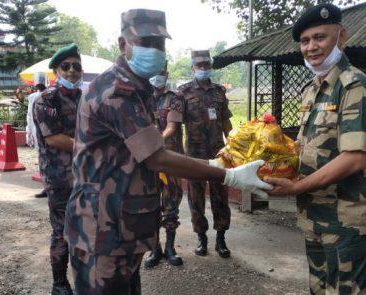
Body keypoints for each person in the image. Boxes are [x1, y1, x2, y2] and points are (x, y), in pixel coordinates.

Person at [64, 9, 271, 294]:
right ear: (123, 44)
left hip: (119, 224)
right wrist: (228, 175)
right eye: (145, 42)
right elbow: (157, 157)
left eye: (159, 44)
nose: (154, 50)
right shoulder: (116, 91)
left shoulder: (136, 88)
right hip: (102, 228)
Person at [265, 3, 366, 294]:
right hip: (314, 214)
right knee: (318, 289)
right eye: (305, 41)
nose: (311, 47)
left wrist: (296, 187)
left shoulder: (355, 86)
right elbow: (311, 145)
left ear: (341, 36)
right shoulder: (312, 89)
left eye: (320, 38)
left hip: (347, 221)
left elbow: (354, 158)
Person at [34, 43, 83, 295]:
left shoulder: (84, 98)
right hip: (60, 177)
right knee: (62, 231)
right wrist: (89, 148)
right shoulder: (47, 99)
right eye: (66, 66)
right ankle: (59, 283)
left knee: (86, 229)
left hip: (87, 176)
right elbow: (53, 138)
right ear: (56, 71)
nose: (72, 71)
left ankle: (84, 278)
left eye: (76, 66)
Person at [178, 49, 233, 258]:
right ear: (192, 67)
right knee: (196, 197)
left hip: (218, 153)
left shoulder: (219, 92)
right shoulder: (183, 92)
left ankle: (221, 239)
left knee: (221, 196)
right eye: (199, 65)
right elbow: (175, 124)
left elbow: (226, 122)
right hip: (195, 155)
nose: (203, 68)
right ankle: (201, 238)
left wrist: (234, 145)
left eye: (206, 65)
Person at [143, 65, 184, 268]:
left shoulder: (174, 98)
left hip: (170, 160)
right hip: (147, 161)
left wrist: (158, 139)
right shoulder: (142, 96)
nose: (157, 76)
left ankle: (170, 248)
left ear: (166, 74)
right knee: (150, 204)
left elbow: (172, 126)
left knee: (171, 204)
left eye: (161, 72)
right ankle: (154, 250)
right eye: (154, 71)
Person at [27, 83, 48, 198]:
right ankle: (46, 187)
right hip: (38, 132)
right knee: (42, 159)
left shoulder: (53, 96)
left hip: (52, 133)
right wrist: (29, 132)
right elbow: (30, 115)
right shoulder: (32, 97)